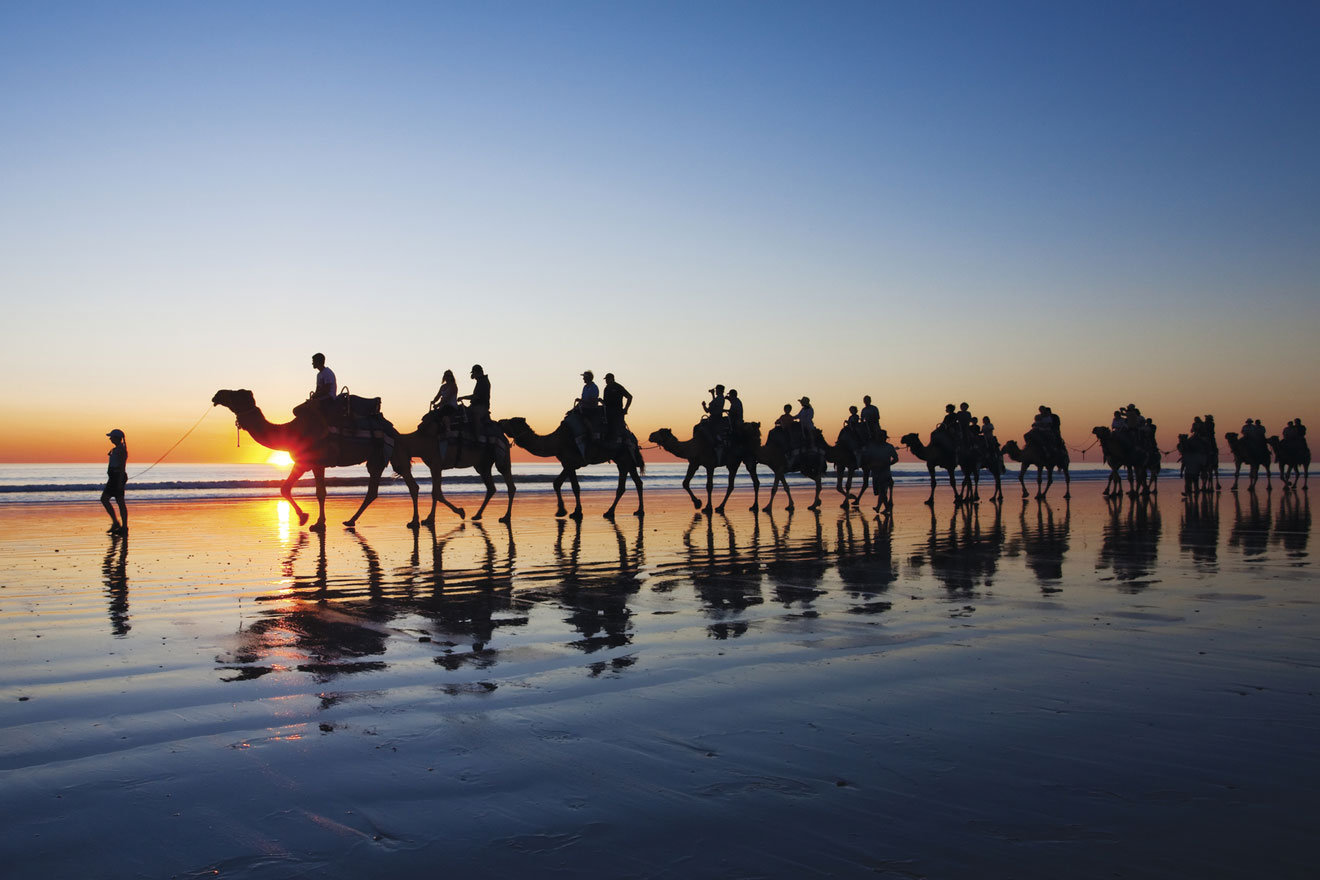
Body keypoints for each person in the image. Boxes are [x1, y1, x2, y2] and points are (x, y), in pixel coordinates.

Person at [101, 429, 128, 534]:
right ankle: (118, 524)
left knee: (117, 501)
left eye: (112, 437)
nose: (110, 439)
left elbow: (122, 466)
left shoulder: (121, 450)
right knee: (109, 500)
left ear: (117, 438)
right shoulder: (115, 449)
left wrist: (120, 480)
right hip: (113, 477)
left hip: (117, 477)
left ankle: (122, 526)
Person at [457, 364, 491, 433]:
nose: (473, 375)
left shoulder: (483, 382)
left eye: (474, 373)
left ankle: (478, 437)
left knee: (476, 418)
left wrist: (463, 397)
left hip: (481, 406)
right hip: (475, 405)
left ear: (477, 372)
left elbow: (476, 396)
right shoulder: (480, 381)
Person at [602, 373, 632, 443]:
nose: (606, 381)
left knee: (619, 431)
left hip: (617, 413)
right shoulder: (606, 389)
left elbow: (629, 397)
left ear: (612, 379)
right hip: (608, 414)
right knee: (609, 430)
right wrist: (601, 401)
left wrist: (626, 409)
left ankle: (626, 444)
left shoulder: (618, 387)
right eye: (606, 380)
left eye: (607, 379)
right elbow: (606, 402)